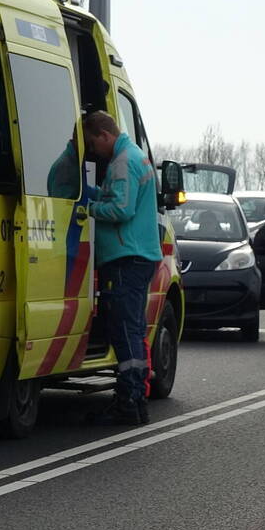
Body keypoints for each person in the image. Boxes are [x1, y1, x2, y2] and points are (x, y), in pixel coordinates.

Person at [83, 110, 162, 425]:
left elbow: (121, 208)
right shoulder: (135, 156)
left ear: (104, 135)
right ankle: (135, 398)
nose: (93, 151)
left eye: (92, 143)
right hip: (138, 253)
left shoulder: (121, 162)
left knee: (125, 329)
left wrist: (89, 206)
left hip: (125, 255)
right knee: (133, 328)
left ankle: (129, 400)